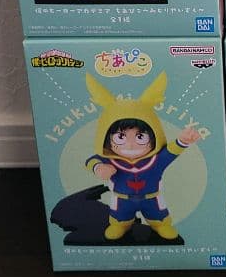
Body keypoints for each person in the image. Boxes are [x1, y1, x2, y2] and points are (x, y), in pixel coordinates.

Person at [86, 71, 201, 241]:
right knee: (119, 218)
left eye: (140, 137)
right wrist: (99, 168)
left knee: (159, 216)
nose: (130, 144)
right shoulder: (111, 160)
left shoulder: (155, 161)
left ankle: (161, 225)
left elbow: (170, 151)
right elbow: (91, 160)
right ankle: (119, 225)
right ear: (106, 138)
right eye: (120, 137)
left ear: (154, 135)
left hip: (152, 199)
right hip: (122, 200)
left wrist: (183, 140)